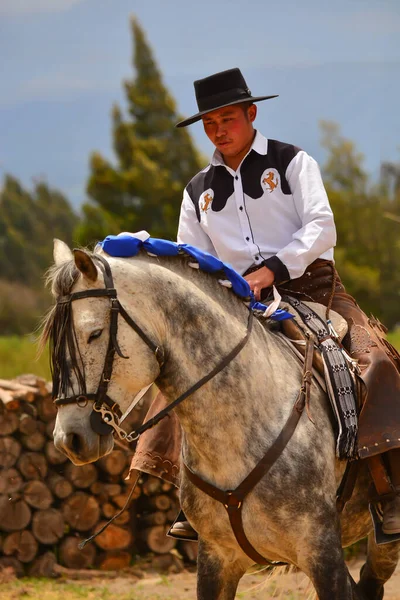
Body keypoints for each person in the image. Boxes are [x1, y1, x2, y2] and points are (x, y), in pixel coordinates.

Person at [130, 67, 400, 540]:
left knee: (375, 358)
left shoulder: (294, 162)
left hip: (315, 288)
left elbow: (322, 227)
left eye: (227, 118)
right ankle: (193, 497)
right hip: (236, 300)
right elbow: (193, 257)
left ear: (251, 114)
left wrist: (273, 269)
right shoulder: (197, 191)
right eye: (209, 123)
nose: (218, 130)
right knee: (183, 369)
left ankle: (389, 491)